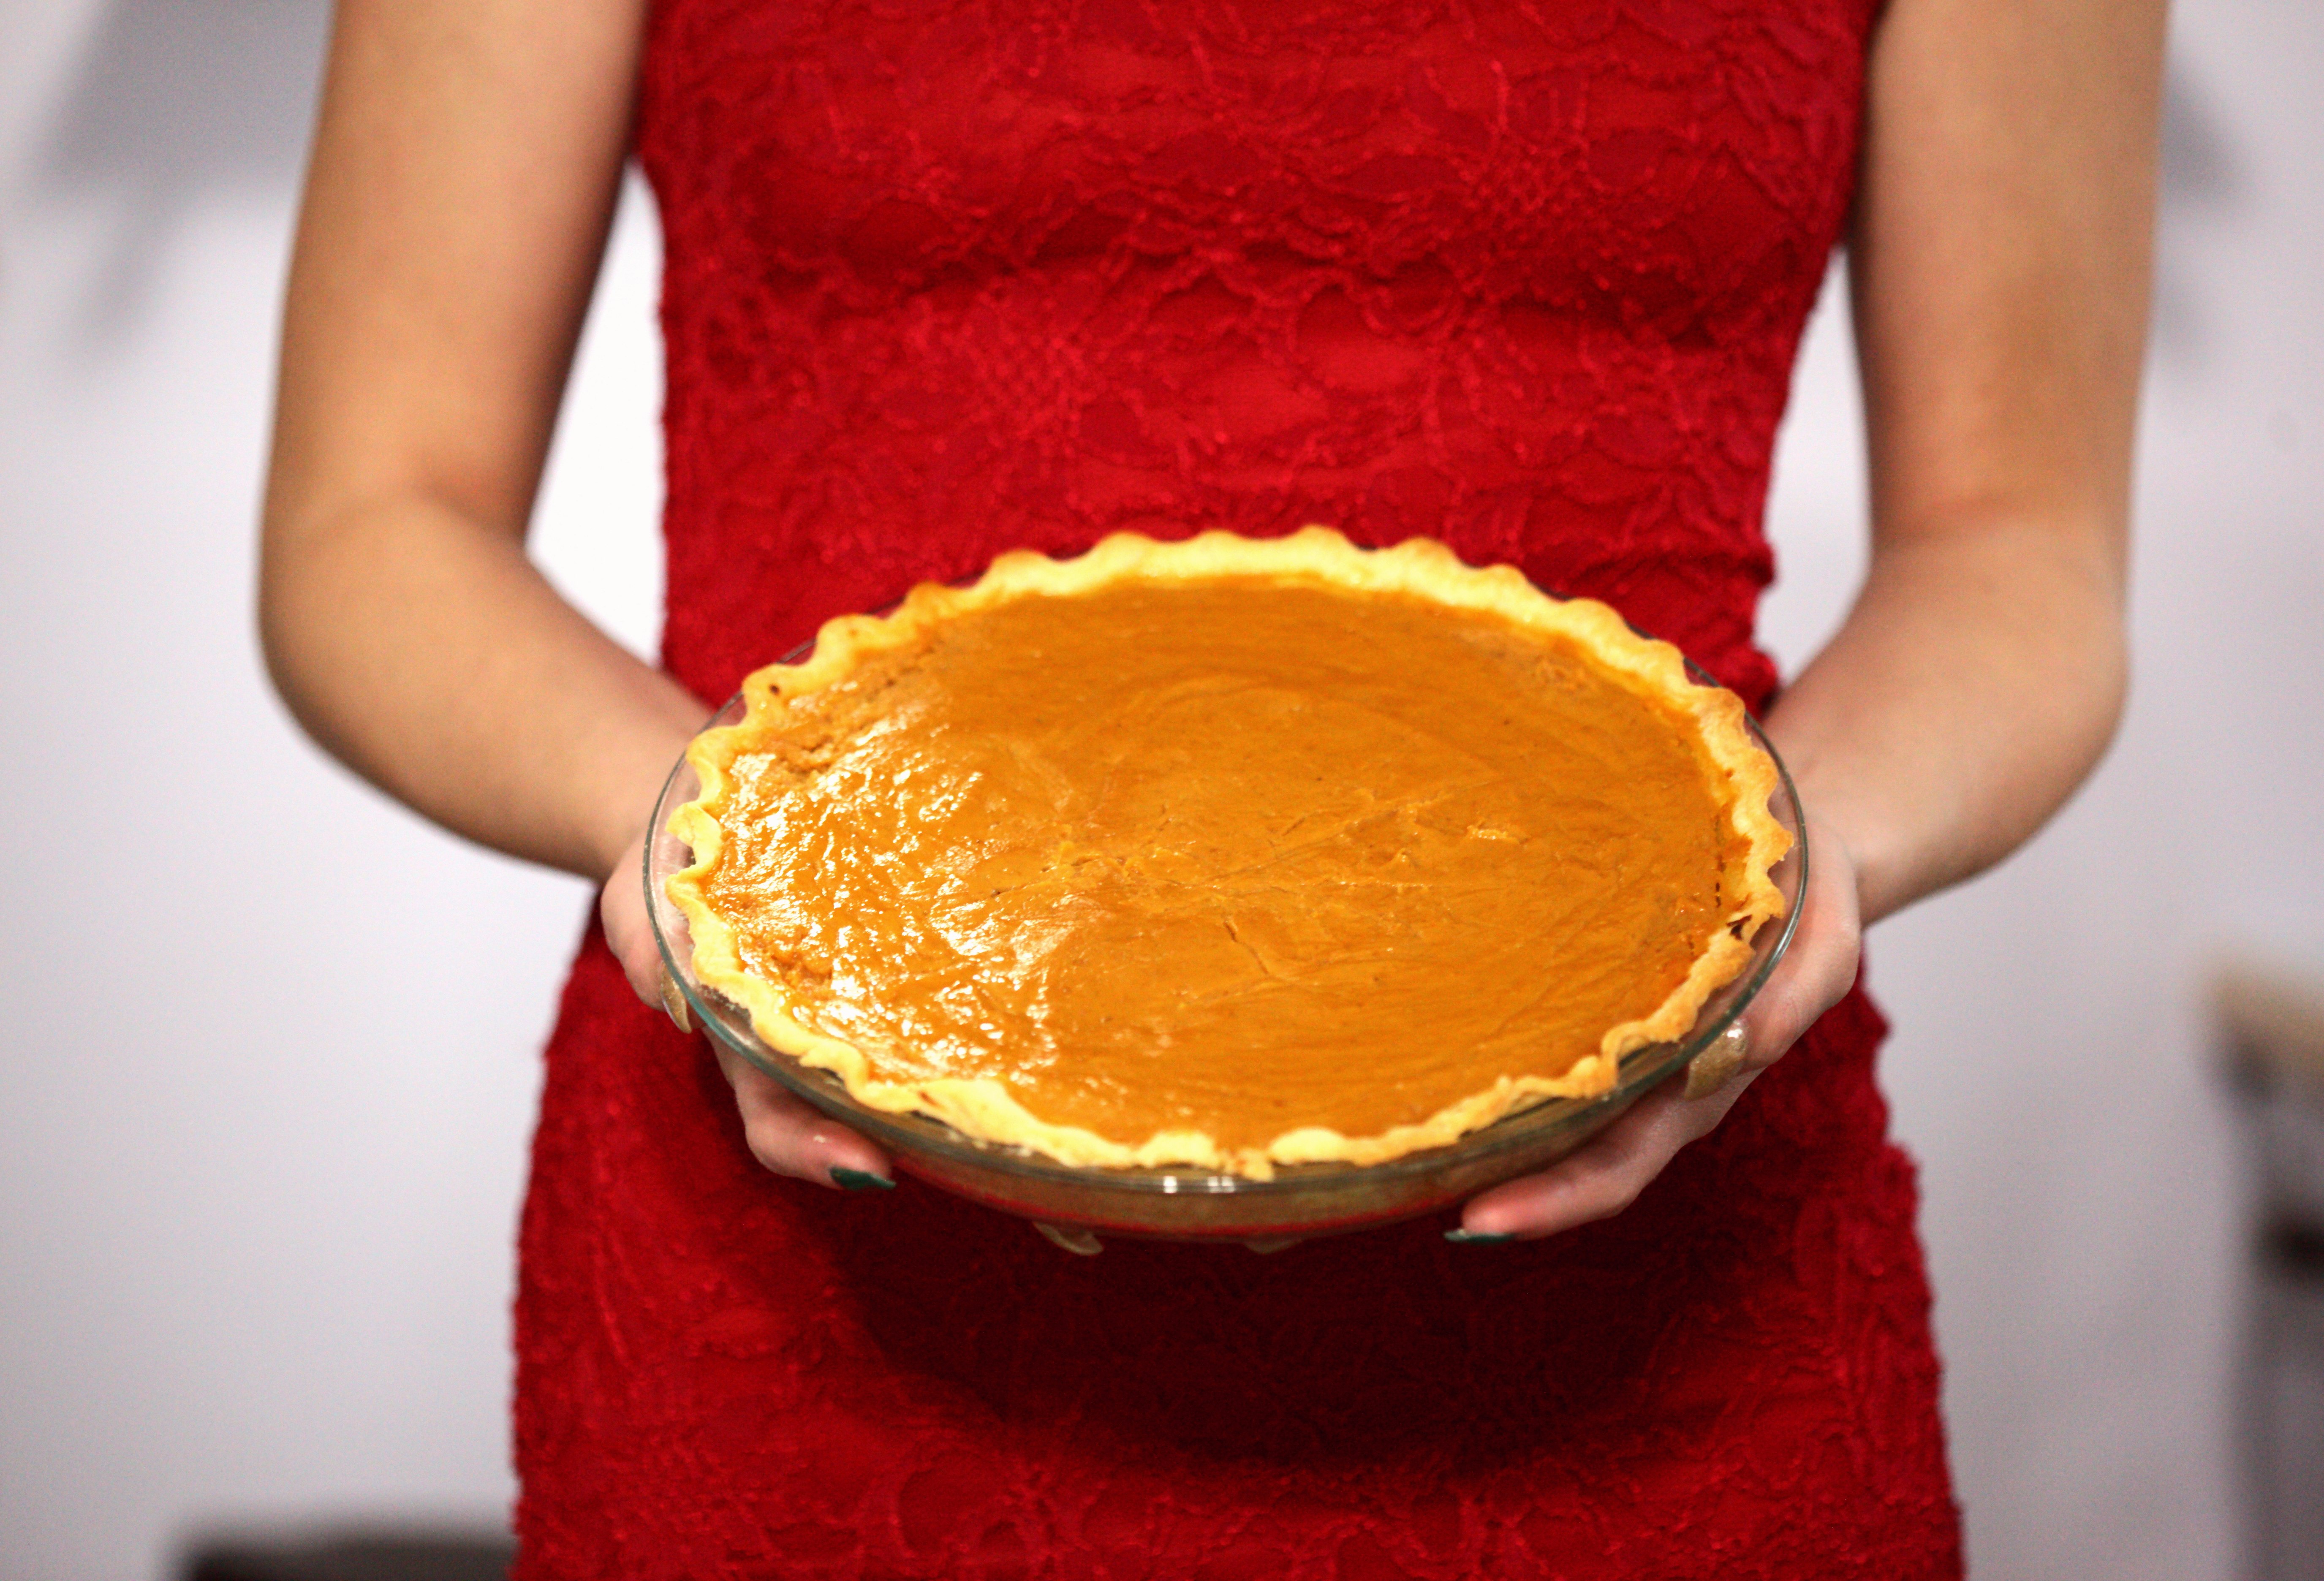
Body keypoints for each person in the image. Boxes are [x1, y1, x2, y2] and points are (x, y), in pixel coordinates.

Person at [258, 0, 2164, 1573]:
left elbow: (2018, 548)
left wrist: (1814, 849)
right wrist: (690, 837)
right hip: (821, 1301)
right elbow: (373, 519)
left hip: (1655, 1279)